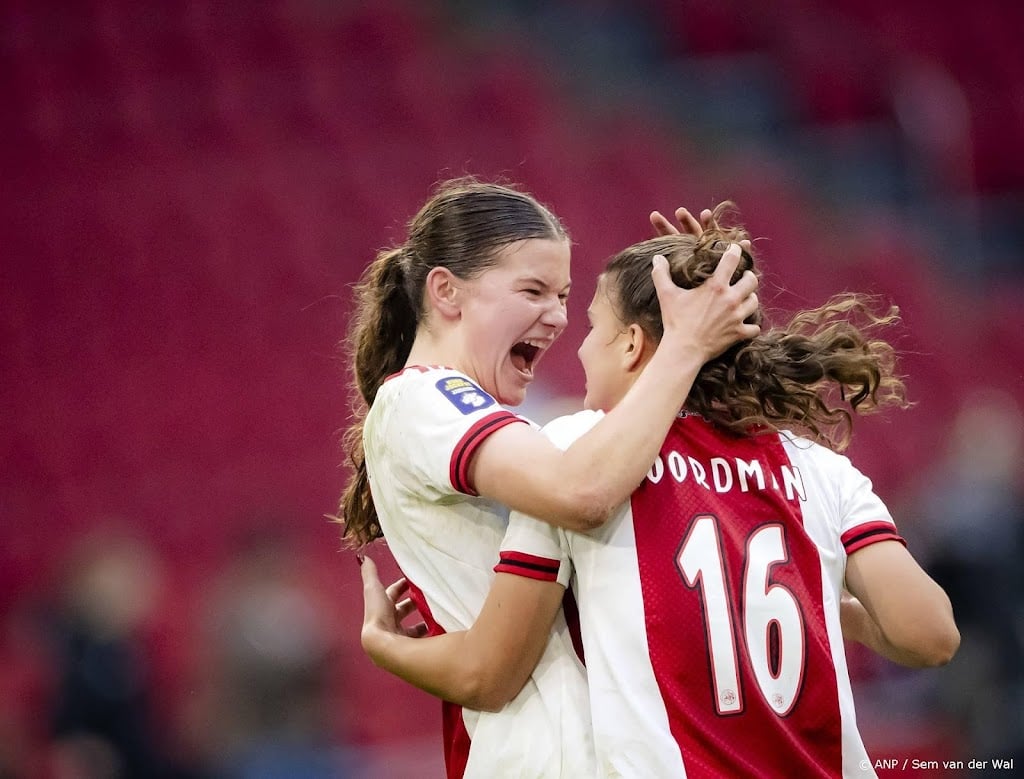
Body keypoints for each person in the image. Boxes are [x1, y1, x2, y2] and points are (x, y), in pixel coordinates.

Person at [360, 203, 961, 778]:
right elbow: (930, 634)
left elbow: (492, 666)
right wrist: (813, 603)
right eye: (535, 292)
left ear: (631, 344)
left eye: (586, 317)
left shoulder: (578, 450)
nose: (573, 333)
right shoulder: (817, 468)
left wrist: (383, 646)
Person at [338, 179, 760, 778]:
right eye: (533, 290)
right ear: (446, 291)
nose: (559, 316)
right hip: (548, 754)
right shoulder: (422, 397)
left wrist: (686, 324)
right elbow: (581, 494)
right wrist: (684, 347)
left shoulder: (492, 423)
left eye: (563, 295)